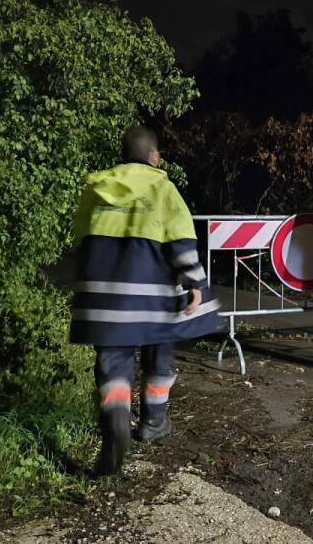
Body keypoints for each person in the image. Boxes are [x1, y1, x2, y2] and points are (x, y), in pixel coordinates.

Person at [69, 125, 220, 476]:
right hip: (153, 296)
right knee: (159, 355)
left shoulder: (97, 188)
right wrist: (195, 281)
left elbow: (81, 239)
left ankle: (117, 420)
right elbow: (181, 240)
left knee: (112, 364)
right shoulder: (162, 188)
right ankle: (154, 423)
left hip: (105, 297)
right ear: (153, 156)